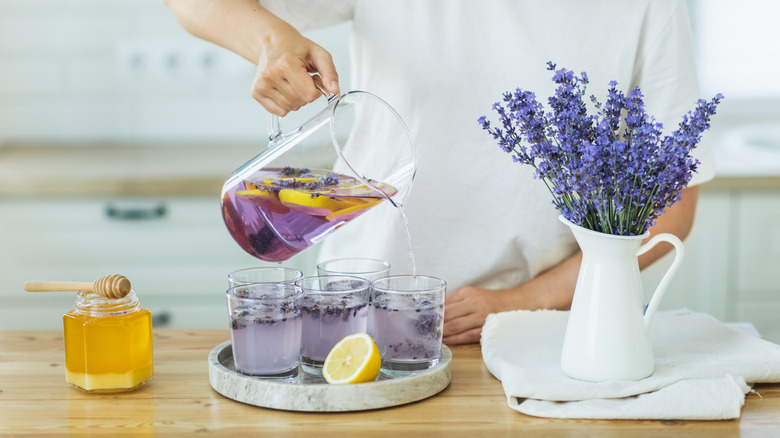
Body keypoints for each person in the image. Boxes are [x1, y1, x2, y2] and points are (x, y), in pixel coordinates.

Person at [166, 0, 714, 345]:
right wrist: (271, 41)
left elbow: (672, 209)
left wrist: (519, 301)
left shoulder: (649, 9)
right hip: (357, 306)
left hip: (538, 329)